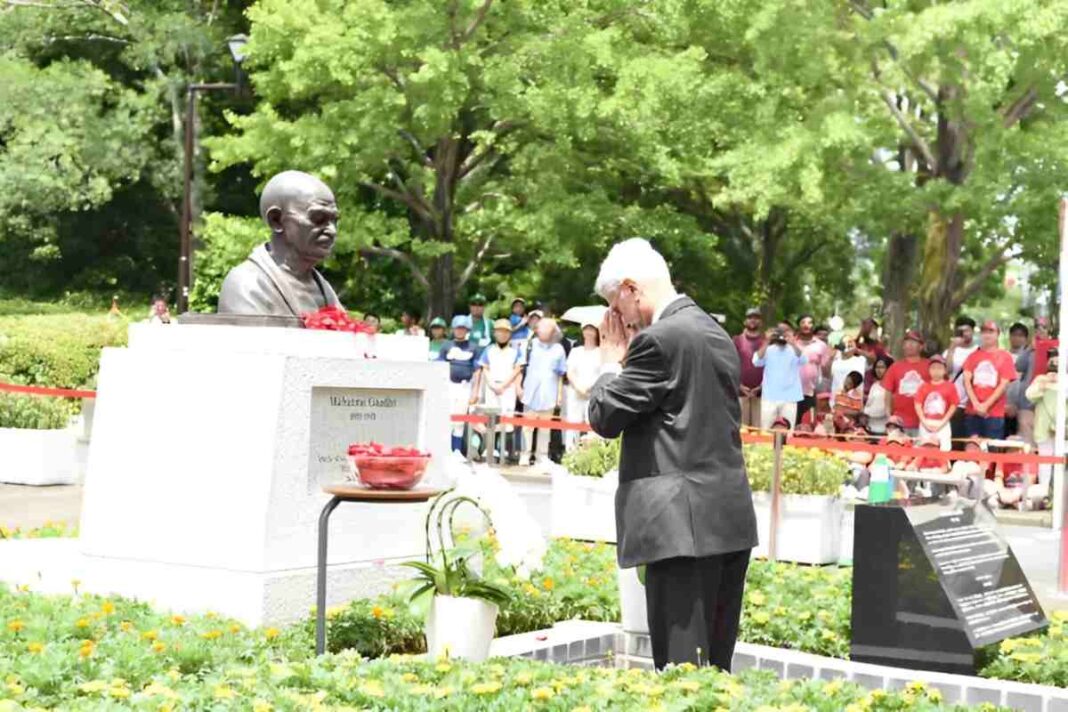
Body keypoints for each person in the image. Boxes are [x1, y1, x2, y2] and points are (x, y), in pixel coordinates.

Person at [588, 237, 757, 671]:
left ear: (631, 289)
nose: (618, 319)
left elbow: (605, 416)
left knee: (680, 671)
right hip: (726, 517)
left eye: (615, 306)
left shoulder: (658, 340)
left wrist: (609, 362)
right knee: (713, 669)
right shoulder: (713, 330)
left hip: (679, 528)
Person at [218, 171, 342, 316]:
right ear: (276, 220)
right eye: (319, 218)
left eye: (334, 220)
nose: (332, 230)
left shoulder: (323, 288)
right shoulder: (247, 285)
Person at [518, 318, 567, 466]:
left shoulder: (559, 350)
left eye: (547, 329)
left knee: (545, 428)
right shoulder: (529, 345)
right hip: (530, 391)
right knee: (527, 427)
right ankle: (525, 455)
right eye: (541, 328)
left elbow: (560, 374)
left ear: (553, 332)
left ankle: (541, 456)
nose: (543, 331)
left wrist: (559, 395)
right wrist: (518, 387)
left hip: (549, 393)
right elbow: (520, 367)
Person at [472, 319, 522, 460]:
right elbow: (485, 368)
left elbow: (517, 369)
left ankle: (503, 449)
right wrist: (492, 385)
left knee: (506, 419)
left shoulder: (514, 352)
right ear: (495, 333)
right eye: (500, 331)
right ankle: (489, 448)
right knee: (491, 418)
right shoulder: (489, 350)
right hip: (491, 388)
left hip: (508, 388)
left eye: (506, 332)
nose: (503, 334)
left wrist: (505, 385)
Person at [962, 320, 1017, 440]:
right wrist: (976, 404)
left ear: (998, 334)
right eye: (984, 332)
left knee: (991, 451)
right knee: (972, 449)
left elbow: (1003, 384)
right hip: (972, 412)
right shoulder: (973, 356)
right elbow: (966, 381)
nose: (987, 335)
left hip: (994, 414)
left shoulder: (1005, 357)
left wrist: (986, 405)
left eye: (991, 331)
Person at [438, 315, 481, 452]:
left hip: (465, 386)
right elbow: (439, 367)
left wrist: (475, 391)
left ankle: (456, 450)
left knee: (460, 419)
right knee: (446, 418)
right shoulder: (446, 345)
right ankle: (445, 449)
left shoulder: (473, 347)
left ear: (467, 329)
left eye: (462, 328)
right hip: (449, 385)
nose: (460, 331)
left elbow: (477, 371)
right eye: (457, 328)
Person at [753, 324, 807, 430]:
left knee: (788, 431)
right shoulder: (768, 349)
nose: (782, 336)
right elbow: (756, 361)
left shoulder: (794, 350)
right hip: (769, 397)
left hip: (790, 397)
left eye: (785, 332)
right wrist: (767, 341)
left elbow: (804, 360)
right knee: (766, 430)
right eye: (780, 332)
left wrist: (792, 343)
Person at [1026, 348, 1061, 493]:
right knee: (1045, 462)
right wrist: (1044, 384)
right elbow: (1029, 395)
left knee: (1061, 463)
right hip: (1043, 428)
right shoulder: (1040, 379)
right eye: (1052, 361)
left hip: (1062, 428)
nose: (1055, 364)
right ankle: (1044, 492)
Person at [882, 330, 930, 436]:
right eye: (907, 342)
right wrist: (889, 417)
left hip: (924, 422)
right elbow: (887, 394)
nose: (909, 345)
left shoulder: (929, 366)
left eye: (913, 342)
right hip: (899, 422)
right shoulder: (895, 367)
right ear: (903, 346)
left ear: (921, 347)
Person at [564, 321, 601, 450]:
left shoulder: (600, 352)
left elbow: (602, 373)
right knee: (573, 423)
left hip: (593, 393)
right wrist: (578, 387)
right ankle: (570, 453)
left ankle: (591, 454)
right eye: (586, 329)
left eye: (592, 329)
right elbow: (570, 372)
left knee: (592, 425)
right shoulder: (575, 351)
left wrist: (589, 387)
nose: (589, 332)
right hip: (575, 392)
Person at [944, 315, 979, 440]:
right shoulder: (950, 351)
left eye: (967, 330)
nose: (964, 334)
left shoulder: (978, 350)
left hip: (973, 402)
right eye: (960, 331)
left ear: (973, 331)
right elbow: (946, 371)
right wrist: (952, 347)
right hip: (954, 403)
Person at [913, 354, 957, 451]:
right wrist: (924, 421)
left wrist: (943, 422)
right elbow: (918, 404)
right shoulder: (923, 387)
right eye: (933, 368)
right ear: (929, 370)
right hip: (926, 421)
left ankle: (943, 465)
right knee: (924, 448)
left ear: (944, 370)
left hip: (943, 422)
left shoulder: (950, 386)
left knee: (944, 449)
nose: (936, 371)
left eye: (939, 368)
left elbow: (953, 405)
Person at [733, 308, 765, 428]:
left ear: (761, 322)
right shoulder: (736, 340)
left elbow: (771, 367)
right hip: (741, 392)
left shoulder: (766, 342)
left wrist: (761, 386)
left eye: (756, 318)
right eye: (750, 317)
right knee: (741, 431)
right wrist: (739, 385)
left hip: (761, 393)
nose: (753, 320)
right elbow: (731, 364)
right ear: (745, 321)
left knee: (759, 432)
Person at [795, 315, 830, 425]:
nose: (806, 325)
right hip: (790, 392)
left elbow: (826, 372)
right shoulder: (791, 343)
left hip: (810, 392)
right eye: (803, 322)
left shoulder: (821, 345)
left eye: (809, 322)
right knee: (790, 425)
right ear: (798, 325)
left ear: (813, 326)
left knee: (807, 426)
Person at [1006, 322, 1035, 443]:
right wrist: (1009, 402)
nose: (1017, 338)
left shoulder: (1031, 354)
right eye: (1014, 334)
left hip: (1025, 404)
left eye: (1021, 335)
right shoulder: (1003, 355)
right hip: (1008, 405)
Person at [828, 337, 867, 408]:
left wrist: (857, 351)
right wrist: (830, 358)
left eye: (850, 342)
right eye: (844, 342)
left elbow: (873, 358)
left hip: (854, 404)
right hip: (836, 403)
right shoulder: (835, 361)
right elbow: (828, 377)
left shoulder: (861, 360)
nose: (848, 344)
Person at [863, 355, 893, 435]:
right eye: (877, 367)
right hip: (870, 427)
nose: (879, 370)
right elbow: (868, 404)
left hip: (884, 428)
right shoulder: (874, 385)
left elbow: (887, 408)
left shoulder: (892, 387)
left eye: (882, 367)